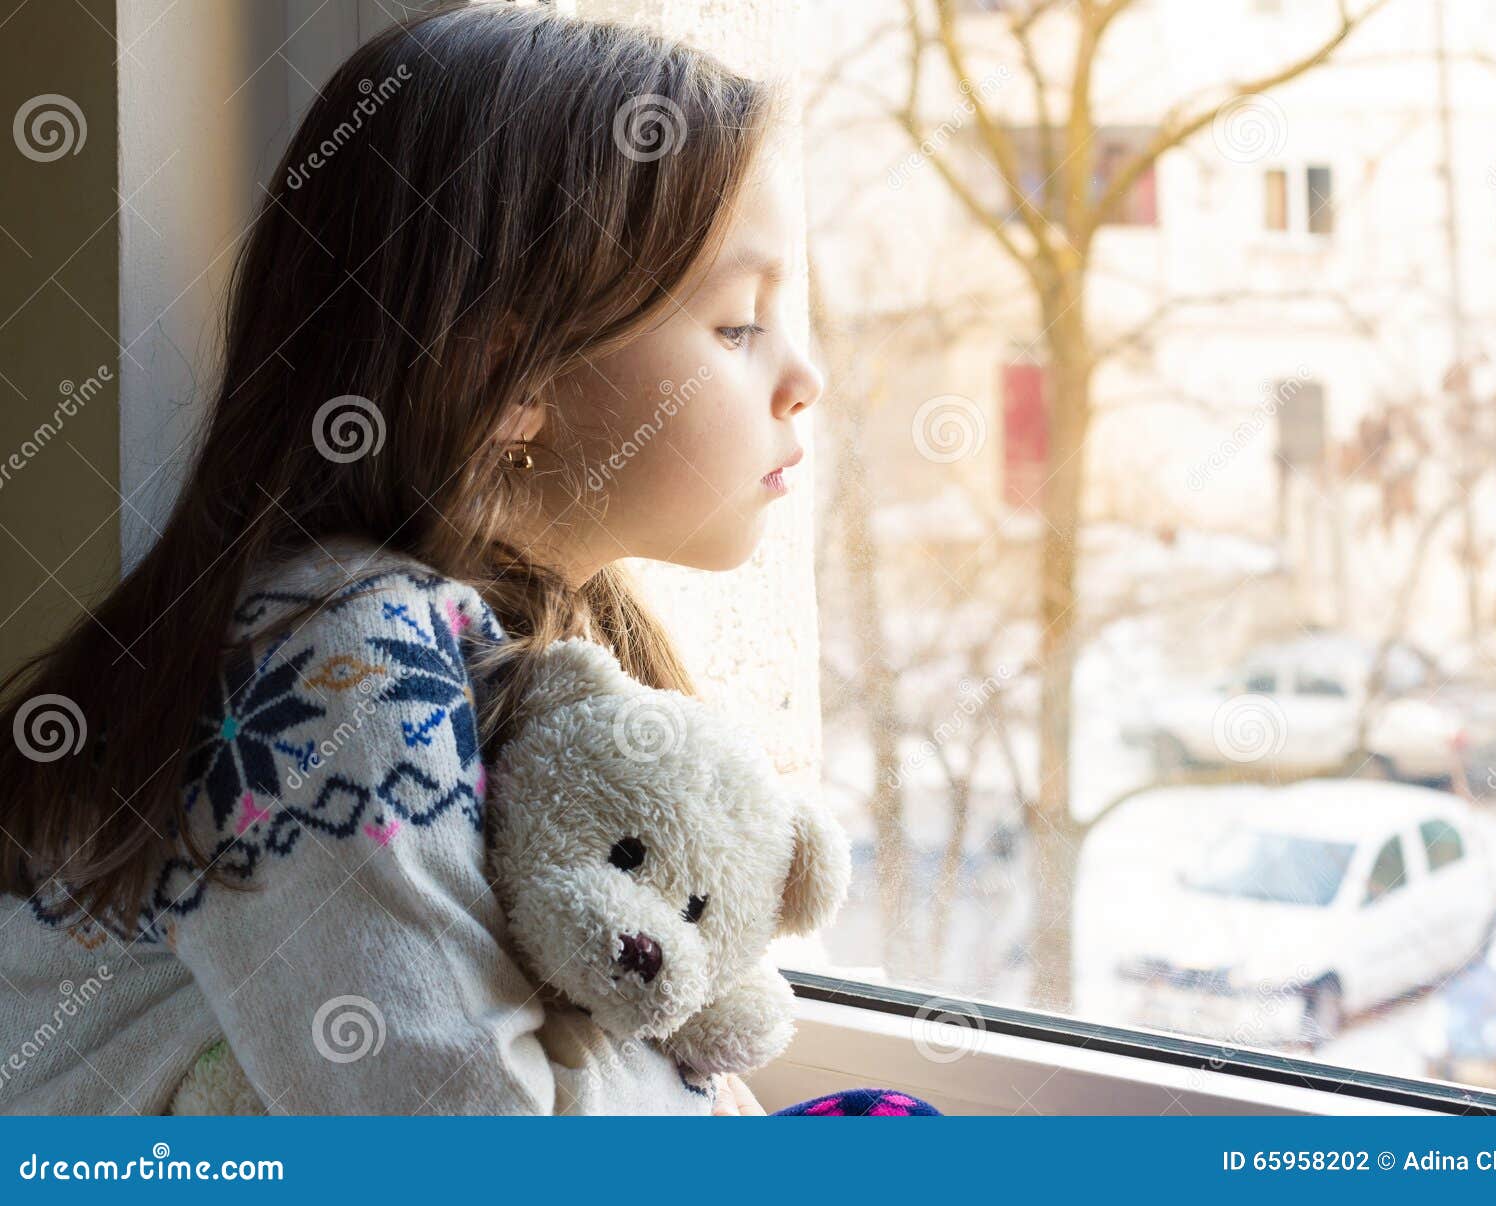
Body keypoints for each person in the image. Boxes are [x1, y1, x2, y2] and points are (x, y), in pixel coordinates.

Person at [0, 1, 935, 1117]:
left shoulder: (526, 647)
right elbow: (448, 1123)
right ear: (514, 380)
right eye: (738, 326)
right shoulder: (338, 662)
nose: (805, 379)